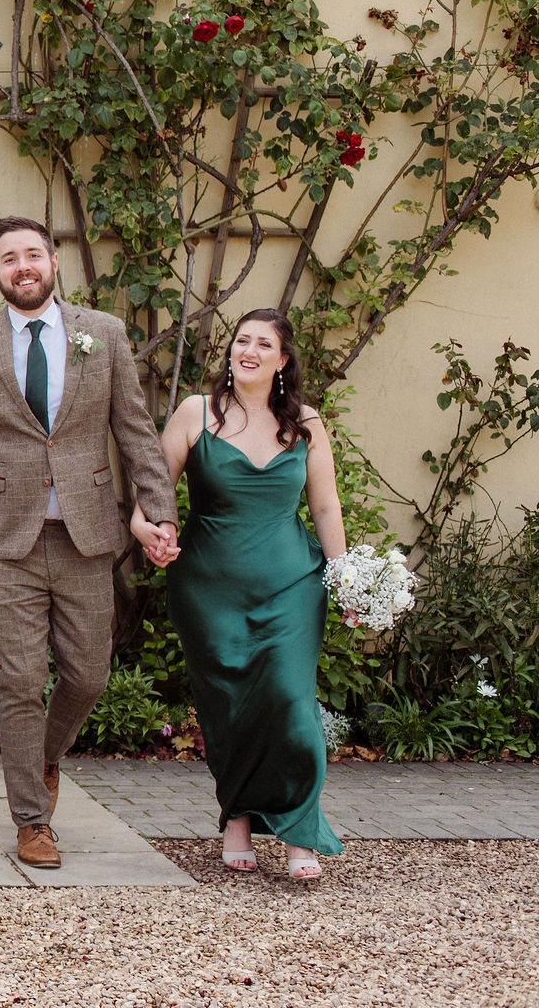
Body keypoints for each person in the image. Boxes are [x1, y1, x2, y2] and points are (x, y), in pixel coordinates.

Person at [0, 215, 178, 871]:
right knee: (21, 678)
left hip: (84, 530)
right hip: (5, 540)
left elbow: (134, 432)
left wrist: (159, 510)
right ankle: (32, 821)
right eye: (9, 258)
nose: (23, 266)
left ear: (53, 262)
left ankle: (42, 754)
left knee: (88, 674)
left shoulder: (104, 335)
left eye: (33, 255)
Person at [156, 308, 345, 880]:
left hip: (291, 584)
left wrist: (346, 580)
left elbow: (325, 506)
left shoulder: (306, 422)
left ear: (283, 360)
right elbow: (154, 490)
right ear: (230, 351)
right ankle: (236, 815)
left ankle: (297, 827)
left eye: (266, 343)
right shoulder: (197, 412)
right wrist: (152, 531)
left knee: (290, 701)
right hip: (209, 588)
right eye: (243, 340)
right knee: (229, 707)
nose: (251, 350)